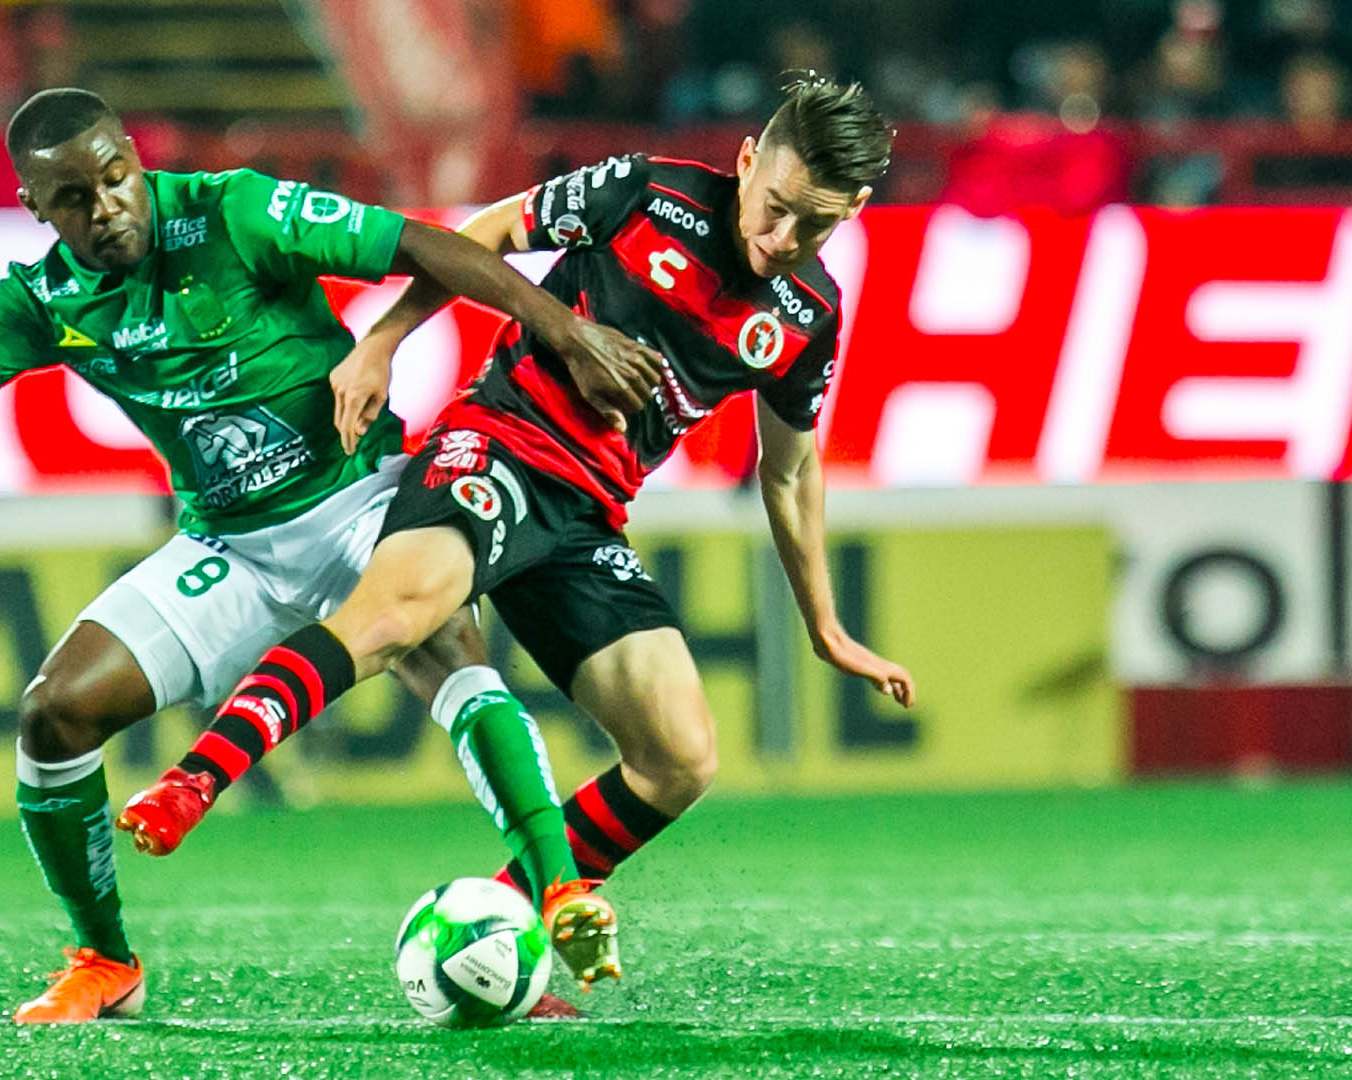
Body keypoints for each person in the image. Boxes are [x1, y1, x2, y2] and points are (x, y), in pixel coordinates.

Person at [0, 88, 660, 1023]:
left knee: (453, 655)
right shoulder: (40, 300)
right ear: (35, 208)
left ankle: (556, 895)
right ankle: (104, 961)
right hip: (232, 547)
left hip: (365, 501)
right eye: (74, 199)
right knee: (54, 715)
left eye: (116, 177)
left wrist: (565, 330)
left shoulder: (235, 211)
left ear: (136, 158)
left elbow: (422, 245)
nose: (106, 208)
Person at [120, 71, 917, 931]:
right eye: (776, 204)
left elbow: (792, 471)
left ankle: (506, 923)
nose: (782, 236)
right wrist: (384, 340)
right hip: (499, 442)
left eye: (818, 223)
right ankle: (195, 779)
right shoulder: (649, 194)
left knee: (679, 758)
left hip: (586, 518)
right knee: (396, 616)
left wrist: (825, 626)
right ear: (749, 157)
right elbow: (488, 233)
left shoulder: (811, 315)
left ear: (858, 207)